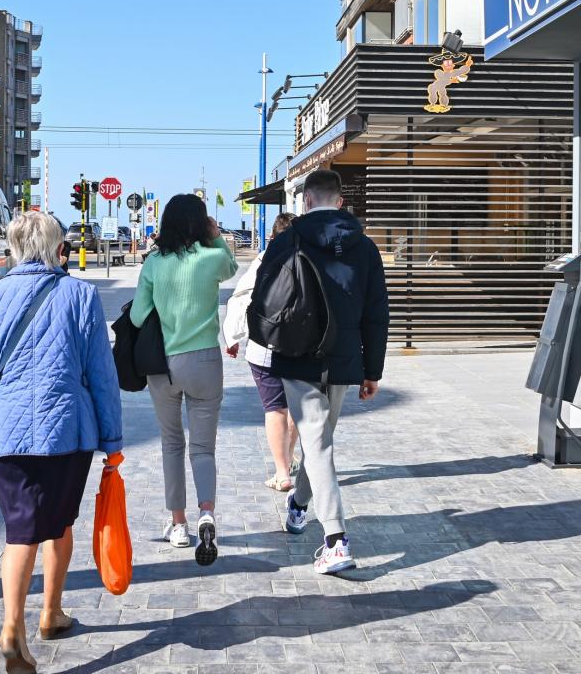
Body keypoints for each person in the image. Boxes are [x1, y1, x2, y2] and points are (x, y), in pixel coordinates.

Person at [0, 211, 123, 674]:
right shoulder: (81, 296)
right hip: (68, 431)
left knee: (20, 528)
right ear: (57, 249)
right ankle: (47, 615)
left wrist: (4, 381)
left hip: (6, 432)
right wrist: (113, 440)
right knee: (59, 522)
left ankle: (16, 625)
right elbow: (102, 376)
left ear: (13, 249)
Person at [256, 169, 388, 575]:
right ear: (341, 202)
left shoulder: (289, 240)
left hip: (298, 355)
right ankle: (298, 506)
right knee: (319, 440)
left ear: (307, 201)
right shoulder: (365, 248)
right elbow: (376, 312)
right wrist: (372, 369)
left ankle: (336, 540)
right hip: (345, 356)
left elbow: (264, 294)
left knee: (318, 442)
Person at [131, 194, 238, 566]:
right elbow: (231, 267)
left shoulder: (154, 263)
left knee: (172, 443)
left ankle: (178, 524)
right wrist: (216, 235)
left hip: (165, 363)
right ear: (201, 223)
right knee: (204, 448)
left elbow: (139, 315)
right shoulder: (212, 259)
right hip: (206, 360)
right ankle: (206, 512)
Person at [222, 212, 299, 492]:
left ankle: (282, 472)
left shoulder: (264, 259)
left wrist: (232, 337)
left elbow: (242, 297)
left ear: (273, 236)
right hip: (301, 348)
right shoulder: (309, 259)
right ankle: (288, 459)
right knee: (295, 407)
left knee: (275, 409)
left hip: (264, 346)